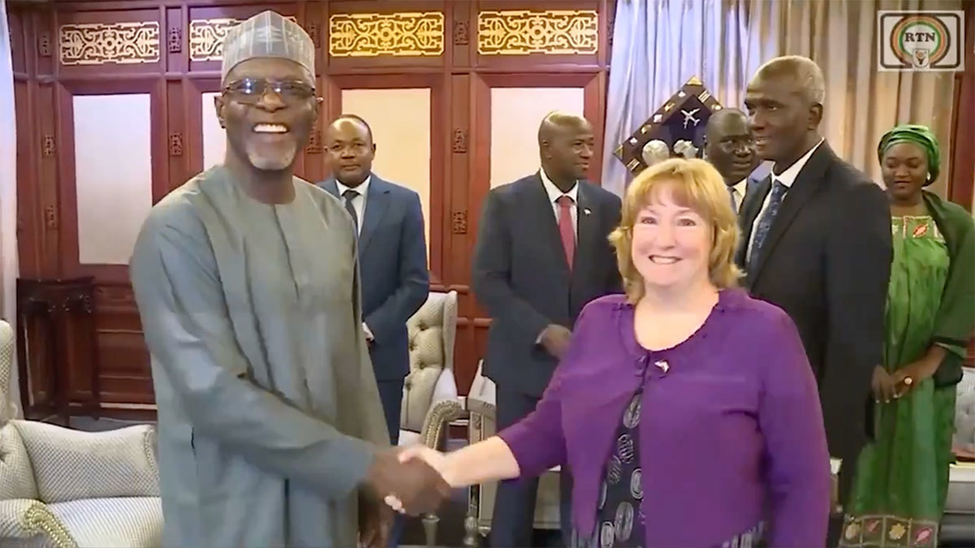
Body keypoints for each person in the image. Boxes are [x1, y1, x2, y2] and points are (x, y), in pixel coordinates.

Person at [128, 11, 448, 548]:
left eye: (291, 88)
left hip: (326, 500)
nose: (271, 102)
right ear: (220, 108)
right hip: (230, 501)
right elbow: (212, 393)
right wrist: (366, 464)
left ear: (314, 110)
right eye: (248, 87)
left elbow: (352, 363)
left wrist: (370, 480)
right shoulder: (178, 227)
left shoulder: (331, 218)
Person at [396, 158, 831, 547]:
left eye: (686, 222)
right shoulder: (599, 321)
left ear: (717, 236)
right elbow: (547, 432)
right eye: (649, 220)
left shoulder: (764, 333)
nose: (664, 239)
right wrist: (445, 468)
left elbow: (803, 482)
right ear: (629, 234)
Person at [737, 55, 893, 516]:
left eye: (771, 107)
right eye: (751, 108)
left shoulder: (854, 197)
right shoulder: (759, 194)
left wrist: (831, 457)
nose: (756, 122)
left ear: (813, 115)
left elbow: (855, 338)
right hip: (747, 420)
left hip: (808, 434)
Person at [471, 111, 623, 547]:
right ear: (546, 148)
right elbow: (488, 281)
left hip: (589, 369)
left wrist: (600, 340)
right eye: (577, 144)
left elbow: (617, 284)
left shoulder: (607, 205)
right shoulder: (506, 202)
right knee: (517, 476)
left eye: (590, 144)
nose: (588, 153)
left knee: (585, 479)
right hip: (524, 366)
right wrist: (542, 330)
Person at [841, 125, 975, 547]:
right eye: (892, 163)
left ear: (930, 168)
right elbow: (843, 291)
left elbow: (964, 292)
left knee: (918, 464)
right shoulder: (857, 216)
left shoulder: (954, 223)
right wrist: (867, 364)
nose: (901, 172)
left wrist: (928, 363)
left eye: (913, 164)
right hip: (868, 371)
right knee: (865, 463)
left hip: (927, 374)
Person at [319, 114, 430, 445]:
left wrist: (368, 330)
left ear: (373, 150)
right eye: (338, 147)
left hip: (382, 359)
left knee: (380, 456)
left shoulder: (403, 202)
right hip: (321, 359)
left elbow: (415, 284)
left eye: (357, 145)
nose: (348, 154)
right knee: (326, 456)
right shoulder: (306, 202)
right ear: (326, 153)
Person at [703, 108, 760, 213]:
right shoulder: (688, 195)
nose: (744, 150)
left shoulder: (768, 194)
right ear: (707, 147)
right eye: (731, 142)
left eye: (749, 140)